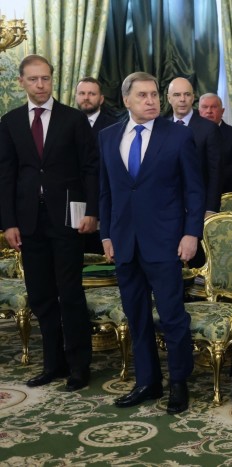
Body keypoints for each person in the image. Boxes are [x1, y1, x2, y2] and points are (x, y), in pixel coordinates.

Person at [99, 72, 205, 415]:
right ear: (126, 100)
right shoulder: (108, 136)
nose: (151, 100)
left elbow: (194, 190)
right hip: (124, 243)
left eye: (155, 95)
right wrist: (106, 234)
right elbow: (106, 191)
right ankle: (147, 381)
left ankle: (178, 382)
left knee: (173, 317)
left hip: (166, 242)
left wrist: (191, 233)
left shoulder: (178, 136)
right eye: (143, 95)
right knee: (137, 316)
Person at [0, 54, 97, 391]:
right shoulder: (10, 122)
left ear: (53, 80)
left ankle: (79, 366)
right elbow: (6, 175)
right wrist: (8, 222)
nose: (40, 85)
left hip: (69, 219)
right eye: (33, 80)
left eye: (46, 79)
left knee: (70, 294)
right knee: (41, 296)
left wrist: (92, 212)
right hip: (28, 221)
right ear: (22, 82)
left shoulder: (73, 119)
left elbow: (90, 169)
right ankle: (52, 364)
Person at [166, 77, 223, 215]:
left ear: (193, 98)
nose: (182, 99)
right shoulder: (161, 128)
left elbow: (215, 173)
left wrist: (211, 208)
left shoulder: (209, 129)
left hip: (198, 208)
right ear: (169, 98)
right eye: (177, 95)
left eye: (187, 94)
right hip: (166, 208)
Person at [75, 76, 119, 254]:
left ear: (101, 98)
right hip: (71, 205)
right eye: (82, 93)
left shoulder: (115, 127)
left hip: (104, 205)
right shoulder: (66, 123)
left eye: (91, 94)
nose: (86, 97)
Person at [198, 93, 232, 193]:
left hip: (226, 194)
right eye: (205, 107)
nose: (209, 111)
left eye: (214, 107)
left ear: (222, 111)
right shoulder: (191, 133)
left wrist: (213, 177)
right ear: (199, 111)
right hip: (197, 192)